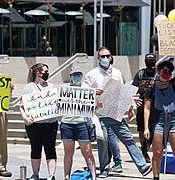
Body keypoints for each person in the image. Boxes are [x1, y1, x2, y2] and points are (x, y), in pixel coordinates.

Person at [83, 46, 152, 178]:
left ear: (111, 57)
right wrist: (93, 92)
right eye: (102, 56)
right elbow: (83, 92)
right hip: (100, 112)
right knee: (103, 142)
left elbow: (123, 90)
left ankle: (142, 166)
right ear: (98, 58)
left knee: (128, 138)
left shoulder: (117, 73)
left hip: (116, 111)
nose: (105, 58)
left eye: (107, 56)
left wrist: (131, 103)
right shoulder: (92, 74)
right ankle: (104, 168)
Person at [19, 63, 58, 180]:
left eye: (47, 71)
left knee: (50, 148)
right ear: (37, 73)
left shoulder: (51, 87)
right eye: (44, 71)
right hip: (34, 124)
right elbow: (22, 106)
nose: (46, 73)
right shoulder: (29, 87)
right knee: (35, 148)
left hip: (50, 123)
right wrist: (25, 118)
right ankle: (35, 173)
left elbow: (55, 102)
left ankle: (51, 175)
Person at [60, 66, 96, 180]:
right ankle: (66, 175)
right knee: (68, 152)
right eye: (74, 75)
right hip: (67, 124)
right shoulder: (64, 90)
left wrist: (96, 104)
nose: (77, 77)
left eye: (79, 75)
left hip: (82, 123)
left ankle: (93, 176)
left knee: (87, 151)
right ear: (70, 77)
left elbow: (92, 106)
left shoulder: (86, 90)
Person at [144, 60, 175, 180]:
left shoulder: (173, 85)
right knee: (157, 152)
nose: (167, 73)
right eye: (164, 71)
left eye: (169, 71)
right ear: (159, 72)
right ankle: (156, 177)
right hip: (159, 120)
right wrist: (146, 127)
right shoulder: (151, 88)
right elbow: (147, 108)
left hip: (173, 119)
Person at [131, 53, 157, 163]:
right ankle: (144, 151)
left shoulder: (158, 73)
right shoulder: (141, 74)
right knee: (141, 128)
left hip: (156, 104)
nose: (150, 62)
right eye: (148, 60)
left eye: (152, 60)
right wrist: (141, 86)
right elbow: (132, 89)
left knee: (154, 128)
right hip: (142, 103)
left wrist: (153, 85)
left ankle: (152, 148)